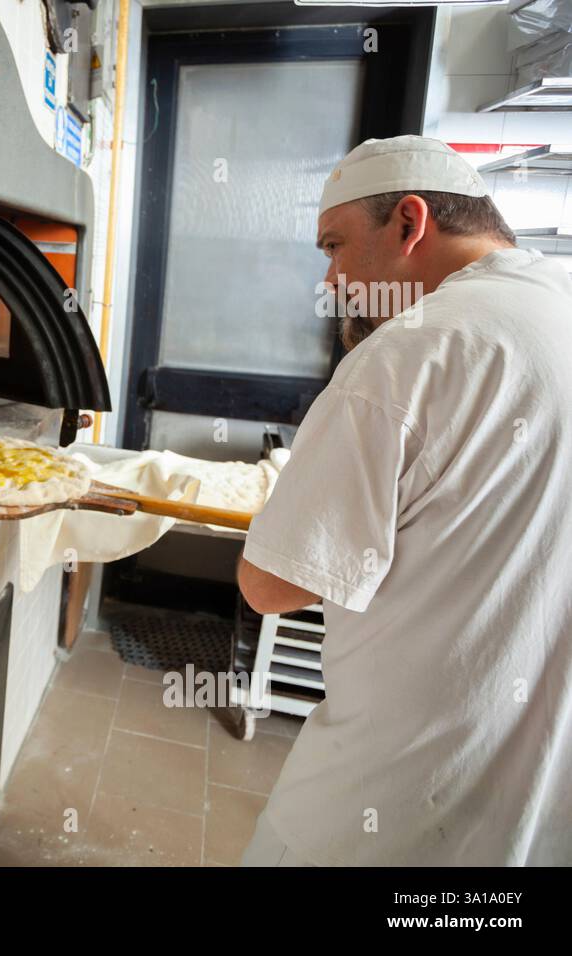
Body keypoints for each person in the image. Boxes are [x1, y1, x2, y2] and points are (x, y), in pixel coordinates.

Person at [236, 135, 572, 866]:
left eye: (335, 246)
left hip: (383, 811)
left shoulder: (408, 353)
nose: (332, 279)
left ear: (409, 222)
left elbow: (270, 584)